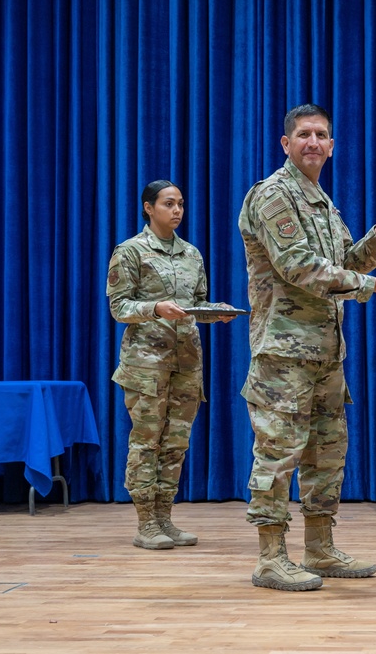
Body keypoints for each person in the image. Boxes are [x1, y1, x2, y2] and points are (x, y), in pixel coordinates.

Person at [238, 103, 376, 591]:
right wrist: (370, 286)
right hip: (283, 353)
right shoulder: (273, 196)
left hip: (324, 353)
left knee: (326, 454)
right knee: (278, 454)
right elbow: (299, 267)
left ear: (332, 146)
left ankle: (319, 549)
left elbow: (343, 260)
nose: (313, 142)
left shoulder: (320, 200)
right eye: (304, 134)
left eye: (322, 135)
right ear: (286, 143)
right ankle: (271, 557)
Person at [107, 180, 234, 550]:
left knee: (176, 443)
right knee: (148, 442)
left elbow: (196, 302)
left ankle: (166, 517)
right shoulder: (131, 251)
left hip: (187, 362)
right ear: (148, 208)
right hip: (146, 364)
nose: (176, 210)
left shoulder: (192, 254)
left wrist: (217, 312)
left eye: (180, 204)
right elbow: (119, 308)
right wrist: (154, 308)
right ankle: (146, 522)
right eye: (168, 204)